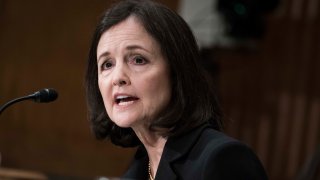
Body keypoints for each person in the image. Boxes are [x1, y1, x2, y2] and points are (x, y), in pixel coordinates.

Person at [85, 0, 268, 179]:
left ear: (176, 71)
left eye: (138, 60)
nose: (118, 77)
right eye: (107, 64)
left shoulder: (223, 160)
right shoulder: (140, 166)